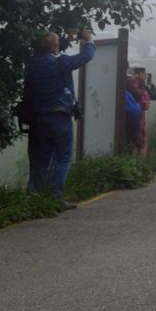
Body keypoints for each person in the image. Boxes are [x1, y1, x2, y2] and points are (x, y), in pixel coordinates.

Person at [23, 28, 96, 209]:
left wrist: (67, 39)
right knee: (63, 158)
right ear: (55, 47)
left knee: (42, 159)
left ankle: (36, 198)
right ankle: (55, 197)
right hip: (60, 117)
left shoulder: (32, 65)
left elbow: (50, 48)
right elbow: (85, 57)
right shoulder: (61, 63)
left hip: (39, 118)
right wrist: (89, 41)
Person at [126, 64, 152, 160]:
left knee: (132, 142)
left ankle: (132, 165)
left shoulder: (127, 81)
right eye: (145, 73)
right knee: (142, 143)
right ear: (139, 74)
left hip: (130, 117)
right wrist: (146, 87)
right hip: (138, 117)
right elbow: (146, 104)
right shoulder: (136, 84)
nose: (146, 75)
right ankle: (139, 167)